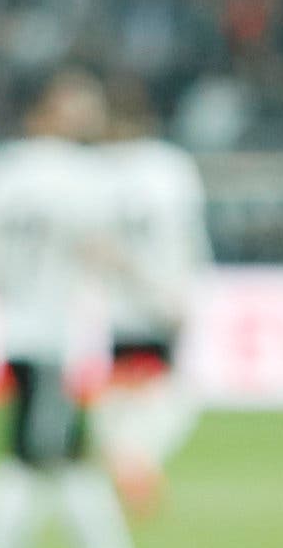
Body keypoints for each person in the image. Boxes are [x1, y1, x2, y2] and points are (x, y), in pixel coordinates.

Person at [0, 70, 158, 548]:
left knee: (70, 465)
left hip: (12, 328)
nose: (88, 116)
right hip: (48, 335)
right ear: (47, 113)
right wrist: (152, 291)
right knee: (26, 464)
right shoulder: (80, 176)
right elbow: (97, 245)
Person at [91, 88, 213, 519]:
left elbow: (92, 243)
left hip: (115, 304)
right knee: (173, 391)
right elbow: (189, 234)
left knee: (125, 389)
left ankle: (121, 457)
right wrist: (185, 288)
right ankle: (131, 460)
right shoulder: (171, 167)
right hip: (163, 297)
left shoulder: (94, 171)